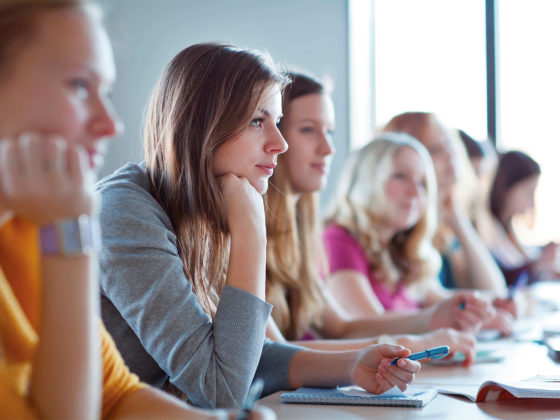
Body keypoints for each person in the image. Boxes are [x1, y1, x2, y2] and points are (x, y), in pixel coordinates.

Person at [97, 43, 421, 409]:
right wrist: (252, 233)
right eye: (257, 121)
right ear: (203, 125)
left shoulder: (201, 211)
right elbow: (221, 388)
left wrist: (352, 365)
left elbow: (241, 355)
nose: (278, 144)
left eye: (277, 123)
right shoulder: (124, 214)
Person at [0, 2, 271, 418]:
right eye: (77, 85)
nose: (111, 124)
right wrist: (71, 235)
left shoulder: (24, 231)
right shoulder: (90, 217)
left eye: (105, 92)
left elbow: (114, 394)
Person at [264, 72, 482, 365]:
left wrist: (431, 319)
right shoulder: (330, 237)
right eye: (307, 130)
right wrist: (414, 341)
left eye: (329, 132)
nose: (328, 148)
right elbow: (273, 354)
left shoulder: (302, 232)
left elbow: (340, 327)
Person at [483, 150, 559, 285]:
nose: (531, 202)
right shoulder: (487, 229)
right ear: (507, 188)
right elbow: (504, 281)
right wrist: (537, 265)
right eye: (528, 192)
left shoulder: (508, 229)